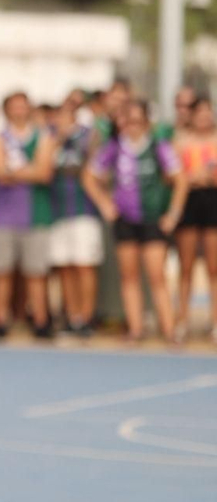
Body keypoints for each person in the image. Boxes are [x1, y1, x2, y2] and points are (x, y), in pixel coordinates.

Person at [85, 100, 189, 342]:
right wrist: (105, 204)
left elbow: (180, 180)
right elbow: (89, 176)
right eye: (126, 121)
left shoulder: (158, 146)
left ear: (146, 122)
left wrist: (172, 214)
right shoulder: (114, 147)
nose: (131, 126)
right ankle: (136, 328)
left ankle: (169, 329)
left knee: (156, 275)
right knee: (129, 275)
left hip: (153, 218)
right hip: (126, 220)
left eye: (136, 121)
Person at [0, 91, 57, 339]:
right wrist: (29, 170)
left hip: (35, 214)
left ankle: (40, 320)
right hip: (3, 215)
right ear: (7, 110)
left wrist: (14, 171)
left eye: (23, 106)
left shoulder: (43, 136)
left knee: (36, 272)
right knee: (0, 270)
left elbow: (44, 173)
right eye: (14, 107)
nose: (19, 111)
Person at [49, 102, 103, 337]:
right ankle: (72, 317)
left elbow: (92, 166)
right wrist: (58, 141)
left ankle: (86, 318)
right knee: (65, 266)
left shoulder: (89, 136)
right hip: (58, 212)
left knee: (84, 265)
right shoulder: (50, 139)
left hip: (84, 211)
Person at [173, 97, 217, 340]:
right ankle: (182, 320)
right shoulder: (181, 141)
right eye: (198, 112)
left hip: (212, 202)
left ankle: (215, 322)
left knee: (214, 267)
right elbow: (174, 176)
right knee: (186, 266)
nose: (203, 117)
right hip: (189, 202)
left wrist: (208, 178)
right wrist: (191, 178)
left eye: (206, 112)